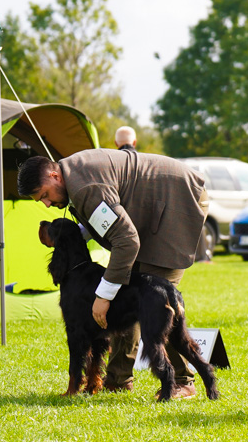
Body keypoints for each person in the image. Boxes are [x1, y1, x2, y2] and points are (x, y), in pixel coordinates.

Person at [17, 149, 209, 399]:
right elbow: (103, 218)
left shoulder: (85, 186)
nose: (46, 203)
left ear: (55, 175)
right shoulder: (72, 177)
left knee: (153, 302)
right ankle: (118, 379)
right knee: (128, 296)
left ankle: (182, 382)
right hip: (151, 210)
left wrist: (104, 295)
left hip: (177, 203)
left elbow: (127, 240)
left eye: (44, 195)